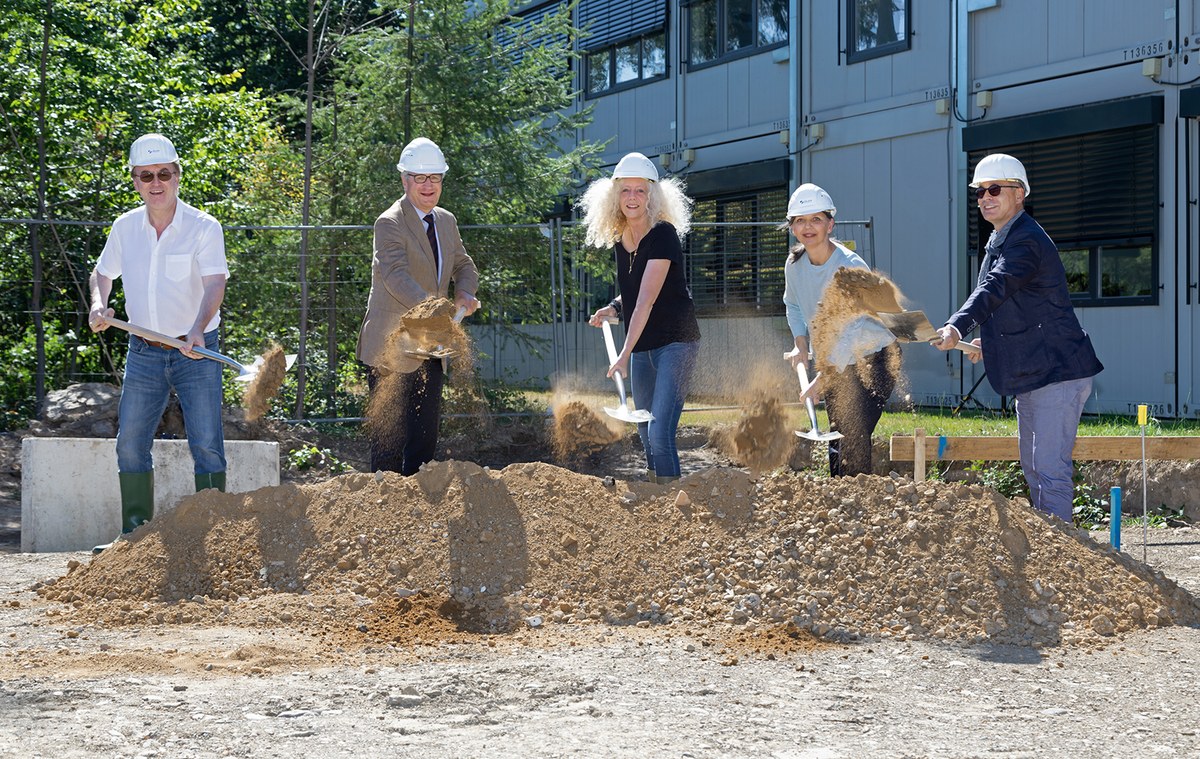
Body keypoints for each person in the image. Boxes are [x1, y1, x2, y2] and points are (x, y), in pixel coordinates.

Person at [934, 153, 1103, 523]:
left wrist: (958, 326)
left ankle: (1061, 558)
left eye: (995, 189)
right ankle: (1055, 553)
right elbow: (1015, 305)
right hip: (1035, 372)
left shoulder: (1025, 240)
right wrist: (987, 342)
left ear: (1020, 193)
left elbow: (997, 287)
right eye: (980, 192)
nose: (986, 198)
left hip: (1056, 372)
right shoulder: (1001, 237)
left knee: (1049, 471)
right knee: (1034, 469)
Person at [88, 133, 230, 551]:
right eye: (146, 174)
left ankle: (213, 535)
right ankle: (133, 536)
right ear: (134, 180)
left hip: (195, 351)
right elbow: (103, 273)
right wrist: (100, 305)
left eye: (163, 174)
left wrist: (199, 327)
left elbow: (215, 283)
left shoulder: (204, 227)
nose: (155, 182)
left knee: (206, 442)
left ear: (177, 176)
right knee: (131, 441)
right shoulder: (125, 227)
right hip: (144, 351)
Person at [357, 137, 481, 476]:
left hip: (431, 344)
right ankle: (383, 513)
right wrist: (436, 308)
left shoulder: (446, 221)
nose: (428, 186)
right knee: (389, 442)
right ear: (404, 180)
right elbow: (395, 276)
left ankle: (416, 516)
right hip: (390, 347)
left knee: (424, 441)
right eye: (420, 178)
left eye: (435, 178)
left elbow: (464, 265)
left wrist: (465, 294)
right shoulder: (389, 222)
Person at [579, 152, 701, 484]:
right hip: (643, 346)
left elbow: (646, 302)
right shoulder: (622, 241)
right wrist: (615, 308)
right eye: (626, 190)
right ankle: (654, 496)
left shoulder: (663, 234)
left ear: (652, 195)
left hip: (676, 343)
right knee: (646, 433)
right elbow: (635, 290)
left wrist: (621, 355)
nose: (632, 198)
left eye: (640, 190)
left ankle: (672, 502)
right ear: (614, 196)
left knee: (660, 432)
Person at [782, 183, 898, 477]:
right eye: (800, 221)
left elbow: (852, 332)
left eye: (816, 219)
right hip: (834, 361)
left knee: (853, 433)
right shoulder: (794, 265)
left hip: (874, 358)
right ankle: (840, 502)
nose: (808, 227)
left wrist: (820, 380)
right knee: (838, 434)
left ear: (830, 224)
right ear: (793, 227)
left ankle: (858, 507)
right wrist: (801, 346)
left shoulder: (849, 266)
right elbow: (793, 306)